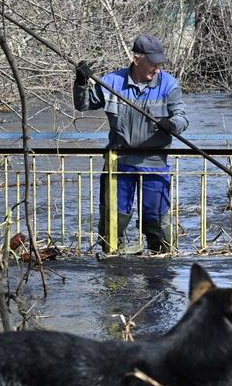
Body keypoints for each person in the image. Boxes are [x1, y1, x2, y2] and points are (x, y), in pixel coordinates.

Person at [73, 34, 188, 254]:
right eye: (152, 64)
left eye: (159, 64)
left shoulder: (169, 85)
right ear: (136, 60)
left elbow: (182, 118)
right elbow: (83, 104)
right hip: (119, 162)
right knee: (113, 219)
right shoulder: (112, 82)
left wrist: (171, 125)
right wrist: (80, 81)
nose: (157, 69)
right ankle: (115, 272)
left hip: (153, 163)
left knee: (156, 220)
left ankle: (160, 268)